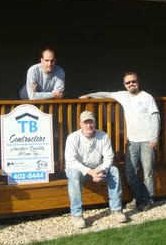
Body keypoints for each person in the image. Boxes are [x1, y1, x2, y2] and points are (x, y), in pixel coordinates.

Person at [79, 72, 160, 211]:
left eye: (133, 81)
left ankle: (149, 200)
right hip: (132, 141)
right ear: (125, 85)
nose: (131, 84)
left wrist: (154, 137)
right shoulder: (123, 95)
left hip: (147, 140)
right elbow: (106, 94)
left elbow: (155, 117)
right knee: (130, 173)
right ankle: (138, 198)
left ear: (138, 82)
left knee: (148, 173)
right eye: (128, 83)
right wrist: (90, 95)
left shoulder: (147, 97)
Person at [65, 110, 128, 228]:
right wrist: (90, 172)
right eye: (85, 123)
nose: (89, 125)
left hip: (98, 169)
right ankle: (77, 215)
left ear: (95, 123)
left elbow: (109, 157)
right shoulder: (72, 138)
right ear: (80, 124)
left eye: (91, 122)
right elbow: (71, 161)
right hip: (78, 169)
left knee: (114, 171)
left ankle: (116, 209)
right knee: (73, 175)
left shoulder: (103, 136)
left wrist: (102, 170)